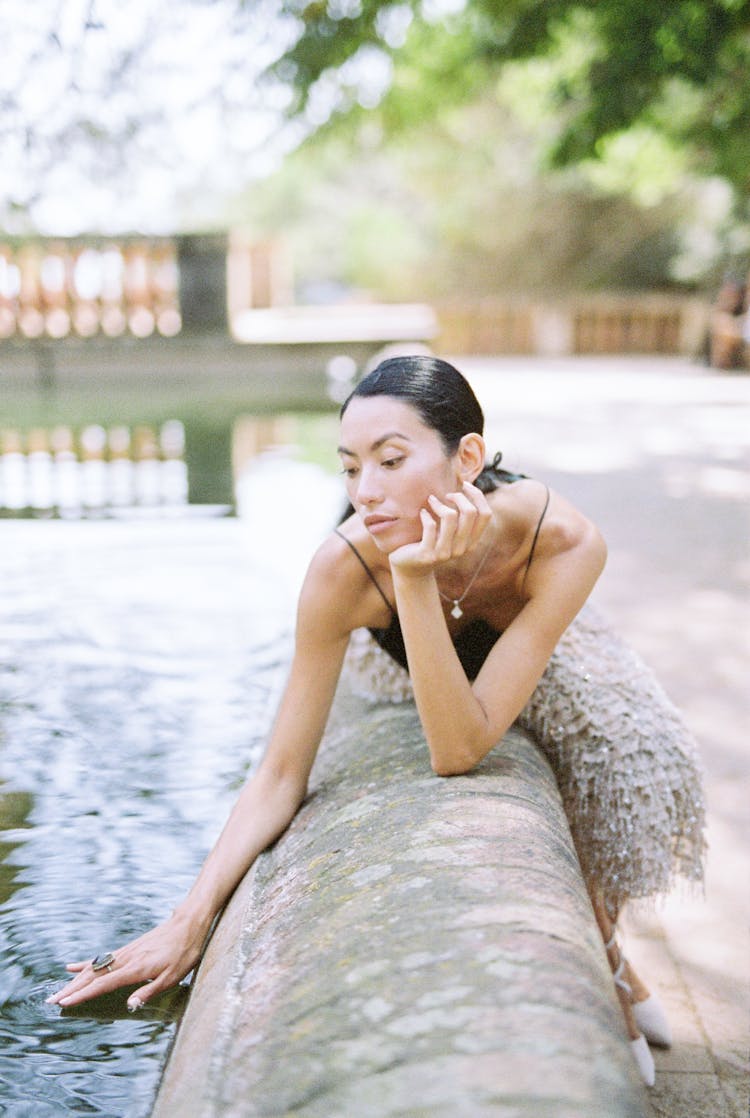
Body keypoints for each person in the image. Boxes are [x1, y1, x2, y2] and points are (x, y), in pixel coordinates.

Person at [47, 355, 705, 1086]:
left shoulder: (564, 540)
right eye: (349, 468)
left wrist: (419, 574)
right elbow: (287, 770)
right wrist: (189, 920)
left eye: (391, 461)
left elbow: (463, 746)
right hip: (396, 659)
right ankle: (611, 973)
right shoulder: (342, 569)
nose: (365, 492)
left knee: (617, 762)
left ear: (469, 459)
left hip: (548, 651)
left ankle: (610, 954)